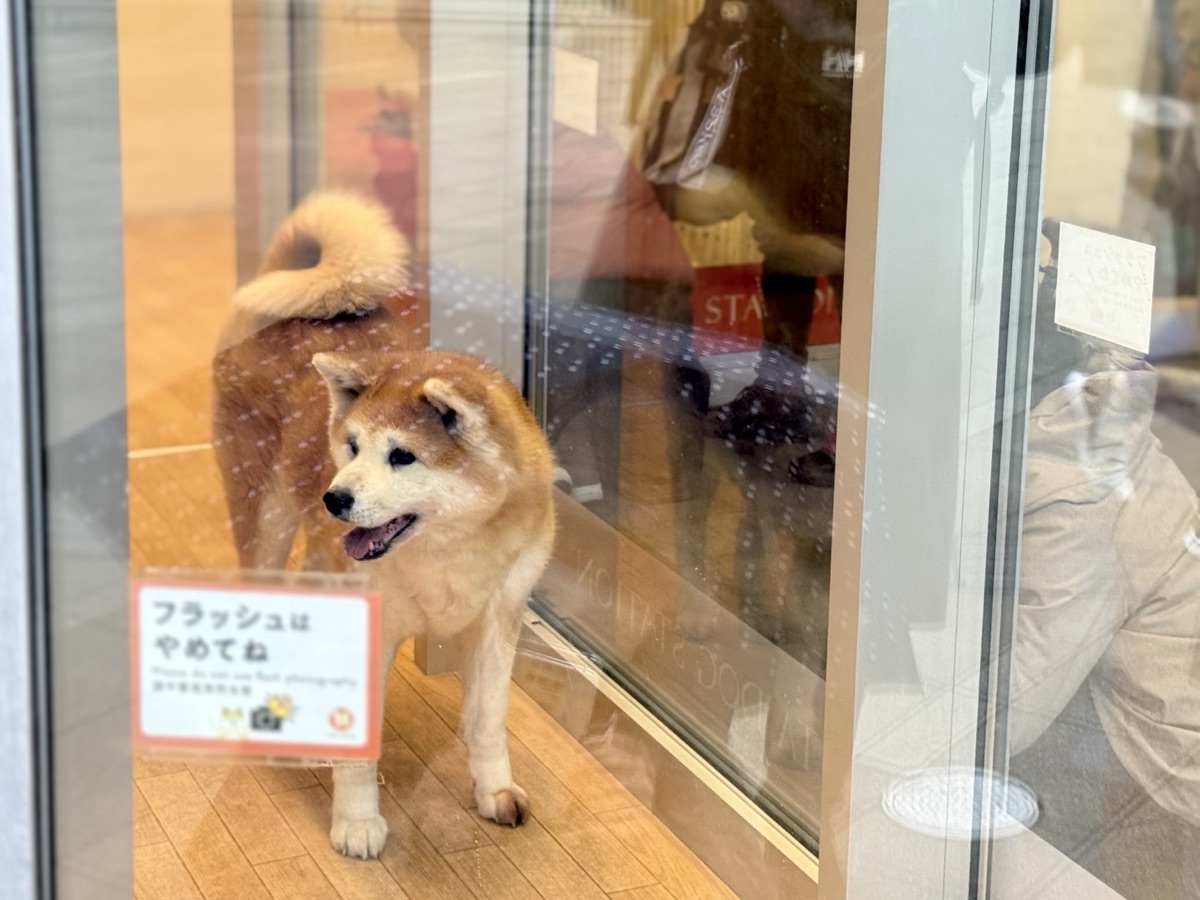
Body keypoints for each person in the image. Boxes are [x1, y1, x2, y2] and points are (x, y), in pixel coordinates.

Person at [640, 0, 857, 484]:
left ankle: (852, 435)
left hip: (852, 134)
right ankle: (780, 398)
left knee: (862, 302)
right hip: (789, 124)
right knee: (782, 276)